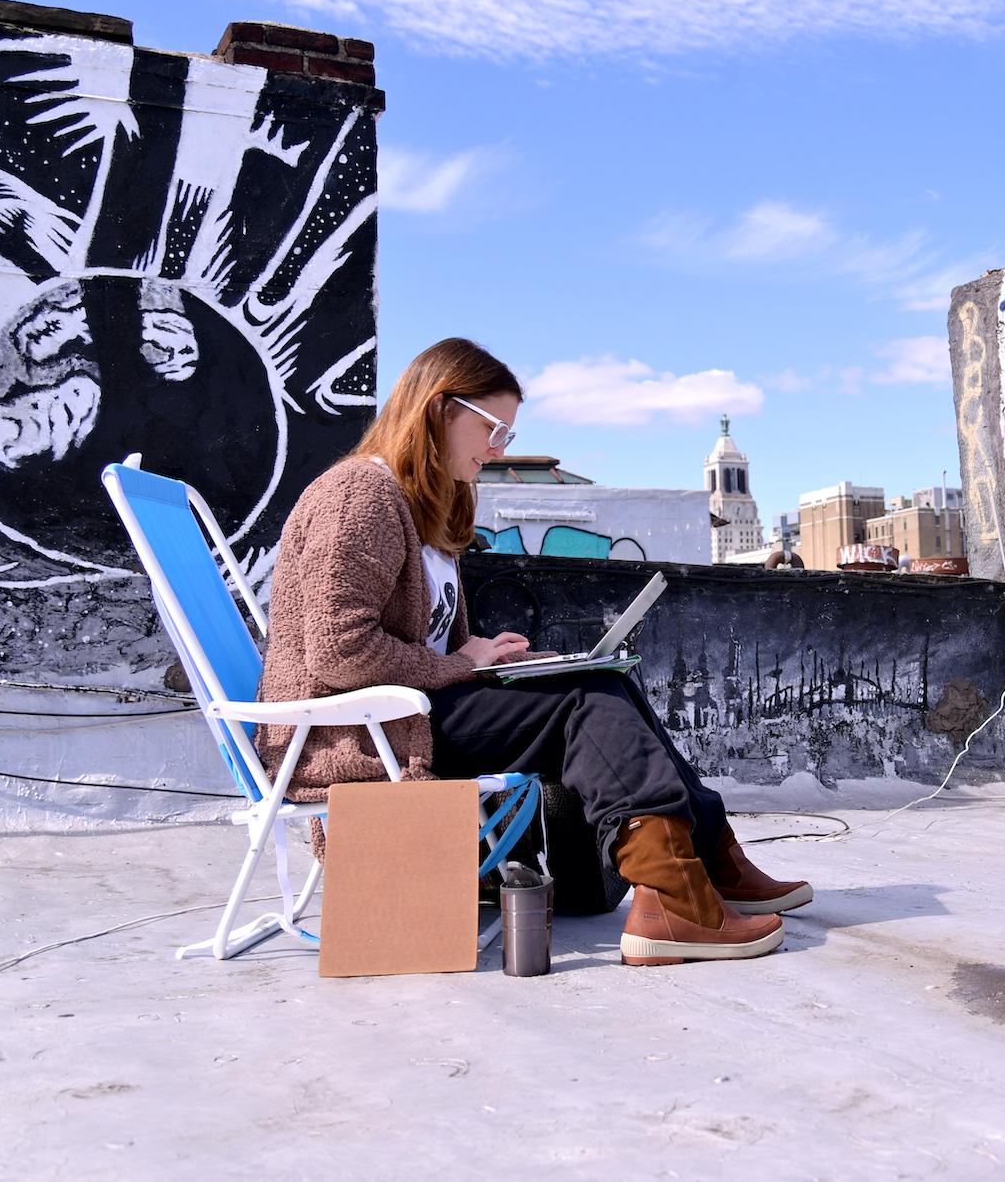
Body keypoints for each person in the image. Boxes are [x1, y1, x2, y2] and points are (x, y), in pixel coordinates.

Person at [254, 337, 810, 965]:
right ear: (438, 410)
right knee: (586, 704)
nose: (498, 449)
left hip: (414, 707)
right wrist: (460, 664)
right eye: (493, 429)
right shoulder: (361, 494)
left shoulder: (427, 504)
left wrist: (477, 650)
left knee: (606, 682)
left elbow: (423, 638)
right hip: (359, 729)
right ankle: (674, 897)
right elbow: (338, 649)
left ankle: (708, 860)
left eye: (507, 436)